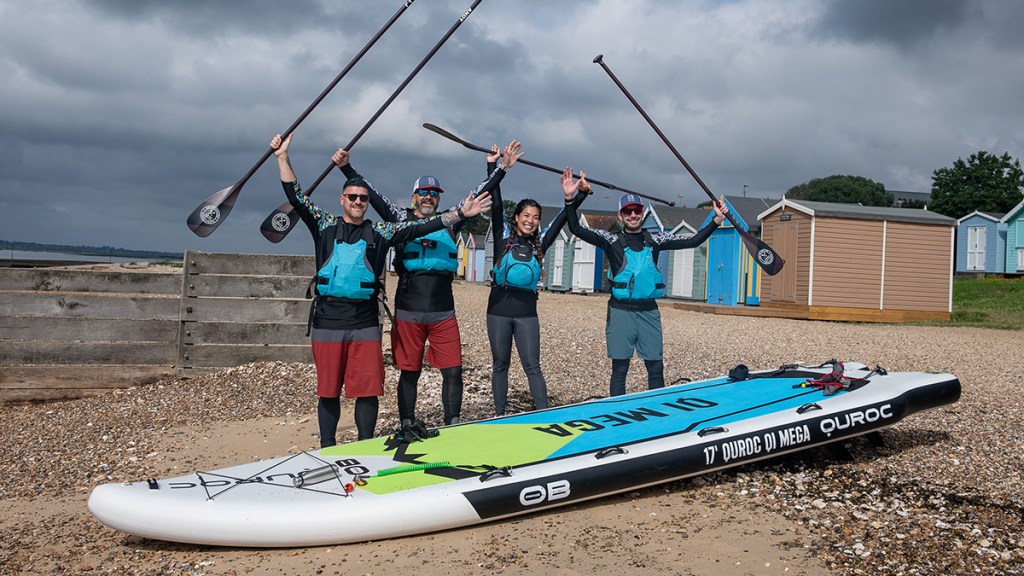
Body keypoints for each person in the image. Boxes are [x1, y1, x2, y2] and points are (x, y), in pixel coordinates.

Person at [270, 133, 492, 447]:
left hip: (364, 324)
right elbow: (296, 197)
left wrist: (460, 214)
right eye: (352, 197)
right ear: (342, 200)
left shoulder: (382, 231)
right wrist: (282, 157)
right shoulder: (323, 225)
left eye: (363, 198)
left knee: (367, 388)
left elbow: (421, 226)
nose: (359, 202)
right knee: (329, 390)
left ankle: (364, 445)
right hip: (327, 322)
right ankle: (328, 447)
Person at [336, 140, 524, 438]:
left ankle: (452, 424)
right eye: (424, 192)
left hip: (442, 312)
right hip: (409, 311)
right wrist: (346, 167)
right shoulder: (400, 219)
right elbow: (370, 195)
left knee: (453, 370)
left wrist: (499, 168)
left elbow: (481, 192)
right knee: (410, 371)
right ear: (414, 196)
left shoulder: (452, 220)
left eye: (434, 194)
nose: (429, 198)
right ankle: (407, 421)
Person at [561, 167, 727, 396]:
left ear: (642, 213)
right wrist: (570, 199)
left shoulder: (657, 240)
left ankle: (655, 412)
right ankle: (618, 415)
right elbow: (575, 228)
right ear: (620, 216)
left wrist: (716, 220)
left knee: (656, 368)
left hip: (649, 313)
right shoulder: (610, 239)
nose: (632, 215)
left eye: (636, 211)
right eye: (627, 212)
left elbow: (693, 240)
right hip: (620, 312)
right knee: (620, 369)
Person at [486, 144, 585, 416]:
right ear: (517, 217)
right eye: (526, 216)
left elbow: (565, 217)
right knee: (500, 365)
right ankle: (499, 413)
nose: (530, 221)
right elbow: (493, 200)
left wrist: (576, 195)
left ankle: (543, 413)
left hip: (527, 314)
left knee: (533, 366)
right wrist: (494, 167)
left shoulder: (541, 243)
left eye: (535, 217)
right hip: (498, 311)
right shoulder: (502, 238)